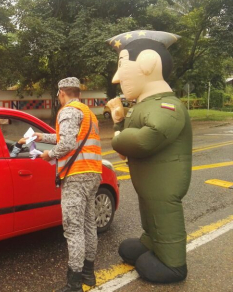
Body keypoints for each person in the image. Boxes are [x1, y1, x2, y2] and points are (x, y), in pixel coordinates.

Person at [106, 30, 192, 283]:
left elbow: (144, 140)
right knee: (149, 210)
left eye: (122, 66)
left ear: (148, 62)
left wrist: (118, 138)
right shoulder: (144, 105)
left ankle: (173, 262)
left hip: (164, 185)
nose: (116, 78)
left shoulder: (168, 106)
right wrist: (119, 121)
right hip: (147, 184)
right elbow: (126, 145)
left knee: (163, 211)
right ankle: (151, 241)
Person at [33, 77, 102, 292]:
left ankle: (73, 284)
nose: (57, 97)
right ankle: (88, 275)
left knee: (73, 230)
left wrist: (48, 154)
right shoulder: (88, 112)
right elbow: (70, 136)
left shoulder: (68, 111)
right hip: (93, 173)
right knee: (89, 225)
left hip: (76, 175)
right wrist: (41, 136)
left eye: (57, 93)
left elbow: (68, 143)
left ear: (62, 92)